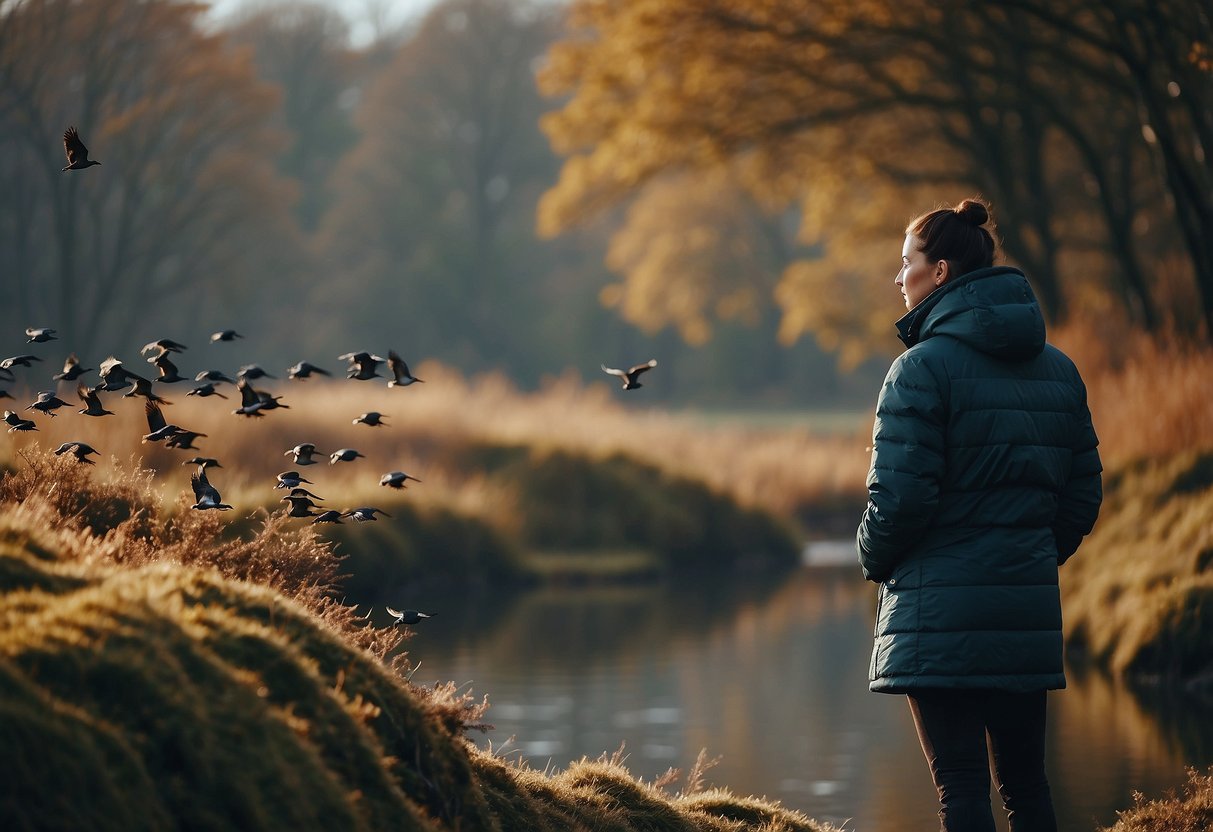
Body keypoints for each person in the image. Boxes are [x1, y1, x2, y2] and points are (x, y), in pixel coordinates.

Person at [856, 197, 1103, 832]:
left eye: (905, 262)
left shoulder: (918, 370)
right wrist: (1029, 557)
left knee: (961, 789)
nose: (898, 277)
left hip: (939, 611)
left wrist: (873, 561)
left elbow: (899, 501)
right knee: (1027, 788)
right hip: (1022, 607)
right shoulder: (1059, 370)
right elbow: (1082, 495)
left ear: (939, 273)